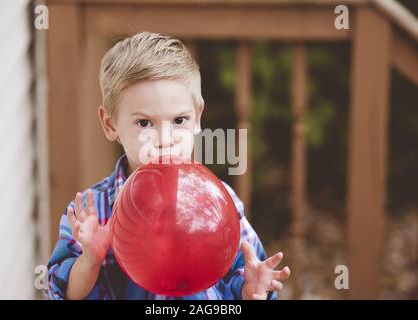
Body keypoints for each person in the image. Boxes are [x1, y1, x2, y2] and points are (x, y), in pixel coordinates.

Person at [45, 32, 290, 300]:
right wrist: (90, 260)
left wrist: (251, 290)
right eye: (144, 123)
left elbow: (242, 275)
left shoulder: (220, 202)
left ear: (197, 118)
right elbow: (61, 293)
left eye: (179, 120)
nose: (164, 140)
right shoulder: (92, 214)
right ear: (110, 124)